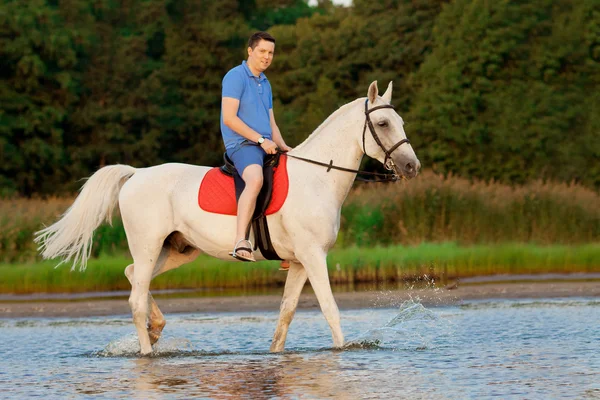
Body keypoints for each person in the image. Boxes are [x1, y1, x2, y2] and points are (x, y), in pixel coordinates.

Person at [221, 31, 292, 262]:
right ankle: (241, 240)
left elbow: (270, 121)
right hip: (242, 144)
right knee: (255, 179)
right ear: (250, 51)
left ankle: (289, 246)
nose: (267, 56)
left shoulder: (265, 82)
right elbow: (229, 119)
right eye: (262, 51)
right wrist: (260, 140)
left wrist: (283, 146)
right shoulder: (235, 76)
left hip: (266, 145)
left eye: (271, 53)